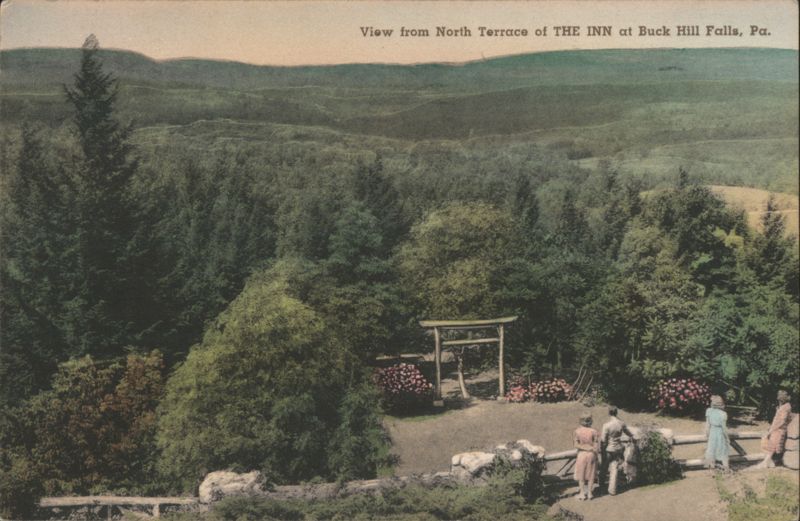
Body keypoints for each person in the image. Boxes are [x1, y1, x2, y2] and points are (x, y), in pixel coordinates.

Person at [601, 406, 633, 495]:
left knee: (604, 466)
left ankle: (603, 486)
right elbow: (629, 433)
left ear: (609, 413)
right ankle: (613, 487)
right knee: (615, 466)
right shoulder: (621, 423)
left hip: (609, 449)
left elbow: (603, 440)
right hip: (618, 448)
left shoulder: (606, 425)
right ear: (616, 413)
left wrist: (602, 449)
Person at [756, 390, 792, 468]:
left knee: (771, 446)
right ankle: (770, 462)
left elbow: (782, 421)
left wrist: (772, 430)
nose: (778, 397)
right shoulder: (781, 406)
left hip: (779, 430)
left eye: (780, 396)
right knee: (767, 442)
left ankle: (765, 462)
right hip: (775, 429)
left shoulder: (786, 407)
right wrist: (771, 429)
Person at [574, 412, 600, 500]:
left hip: (582, 454)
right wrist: (592, 450)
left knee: (581, 474)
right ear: (590, 421)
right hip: (591, 454)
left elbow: (576, 445)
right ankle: (590, 493)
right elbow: (596, 446)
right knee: (591, 474)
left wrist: (584, 447)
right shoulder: (594, 431)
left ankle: (582, 493)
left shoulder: (577, 431)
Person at [704, 394, 730, 471]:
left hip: (712, 432)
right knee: (723, 450)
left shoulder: (708, 411)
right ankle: (726, 468)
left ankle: (712, 468)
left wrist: (707, 434)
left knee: (712, 449)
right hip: (720, 433)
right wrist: (727, 438)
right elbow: (724, 428)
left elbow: (707, 425)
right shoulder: (723, 414)